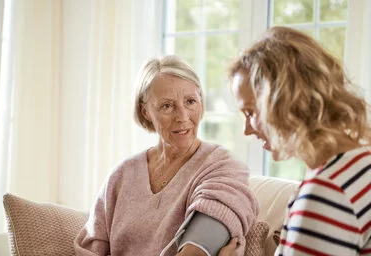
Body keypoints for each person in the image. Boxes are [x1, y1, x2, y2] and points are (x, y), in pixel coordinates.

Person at [74, 55, 259, 256]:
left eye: (190, 102)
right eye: (167, 106)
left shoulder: (222, 167)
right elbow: (90, 248)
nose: (182, 117)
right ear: (145, 112)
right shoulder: (122, 174)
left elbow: (197, 251)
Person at [225, 26, 371, 255]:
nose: (246, 130)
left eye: (251, 112)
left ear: (284, 101)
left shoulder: (326, 194)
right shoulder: (362, 165)